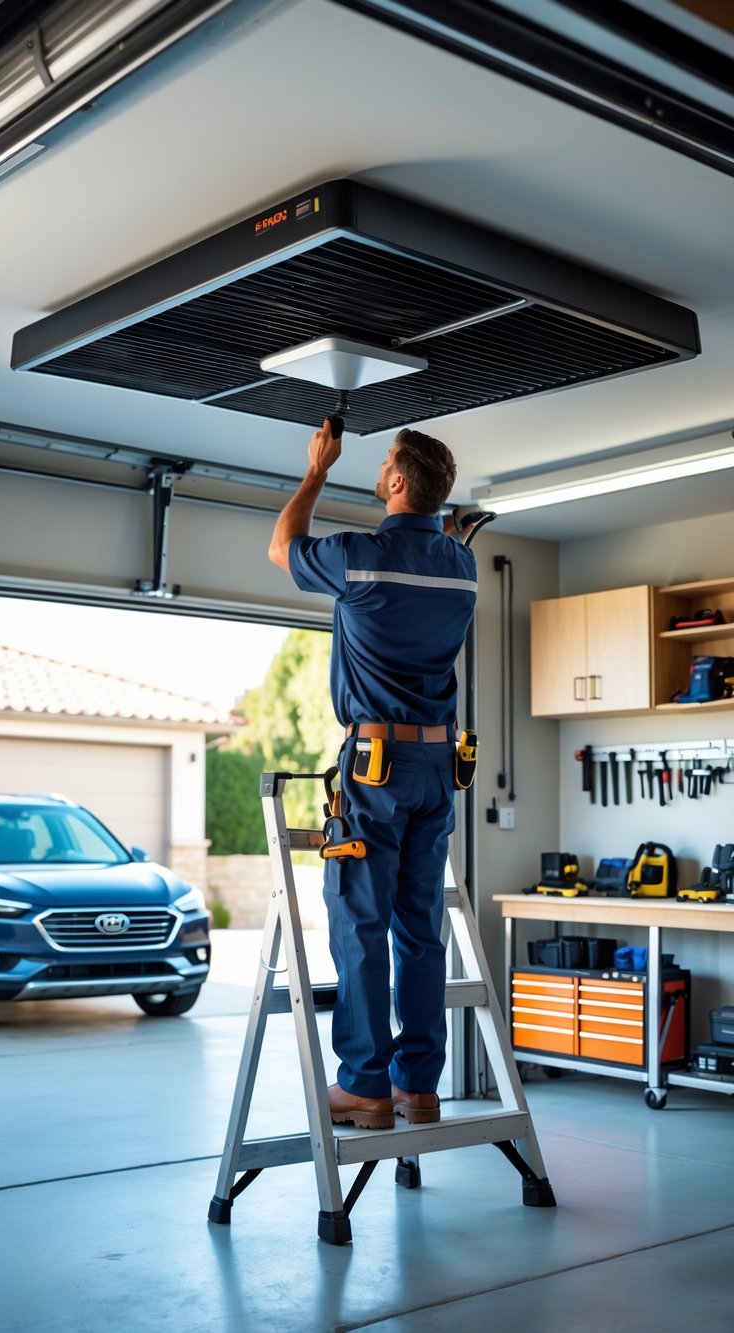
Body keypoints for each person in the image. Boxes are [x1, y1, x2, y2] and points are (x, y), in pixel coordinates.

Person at [268, 418, 477, 1130]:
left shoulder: (360, 556)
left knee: (361, 921)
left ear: (394, 482)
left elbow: (282, 546)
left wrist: (318, 470)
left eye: (385, 462)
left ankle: (364, 1083)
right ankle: (418, 1084)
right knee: (420, 927)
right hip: (437, 766)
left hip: (376, 764)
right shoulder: (462, 566)